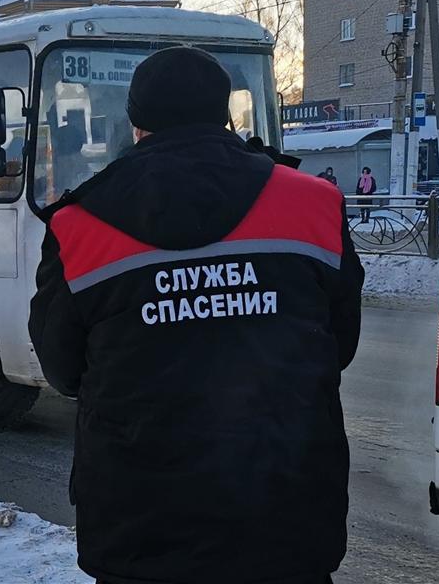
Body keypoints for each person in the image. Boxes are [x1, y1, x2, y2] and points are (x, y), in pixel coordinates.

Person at [29, 47, 364, 584]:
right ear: (225, 116)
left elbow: (63, 370)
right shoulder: (313, 204)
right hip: (286, 521)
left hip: (141, 533)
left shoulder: (79, 224)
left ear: (136, 125)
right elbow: (339, 344)